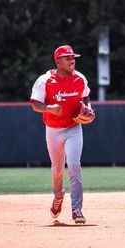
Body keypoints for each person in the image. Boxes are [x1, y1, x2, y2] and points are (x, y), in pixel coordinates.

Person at [30, 45, 92, 224]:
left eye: (73, 58)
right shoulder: (45, 80)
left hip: (73, 127)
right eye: (67, 58)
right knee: (57, 169)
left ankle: (77, 209)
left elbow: (85, 96)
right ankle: (58, 196)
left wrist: (88, 108)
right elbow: (35, 104)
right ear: (57, 61)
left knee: (74, 165)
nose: (72, 61)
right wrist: (49, 108)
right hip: (53, 129)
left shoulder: (79, 78)